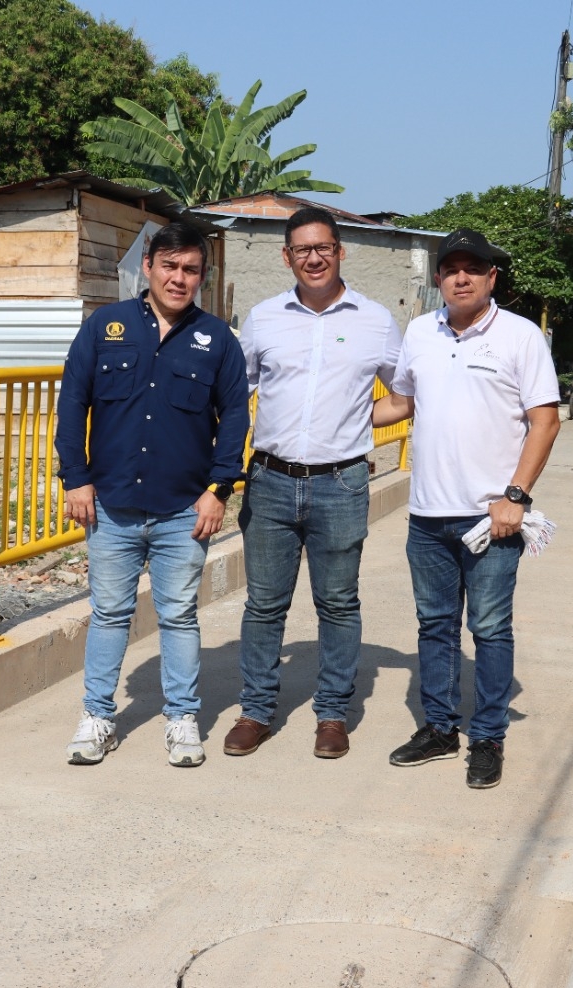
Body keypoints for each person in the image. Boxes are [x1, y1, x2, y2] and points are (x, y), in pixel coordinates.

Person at [371, 229, 561, 789]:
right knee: (434, 626)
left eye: (472, 269)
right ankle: (438, 728)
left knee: (490, 627)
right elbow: (403, 401)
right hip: (427, 515)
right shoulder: (419, 333)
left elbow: (545, 420)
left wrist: (516, 498)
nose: (461, 277)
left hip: (492, 518)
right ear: (437, 278)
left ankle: (488, 737)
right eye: (451, 268)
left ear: (491, 277)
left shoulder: (521, 337)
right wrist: (335, 408)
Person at [56, 221, 249, 768]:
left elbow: (234, 417)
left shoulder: (217, 340)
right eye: (170, 266)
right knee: (110, 613)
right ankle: (98, 717)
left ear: (202, 277)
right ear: (148, 266)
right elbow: (73, 403)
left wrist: (219, 489)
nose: (179, 278)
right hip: (112, 505)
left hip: (183, 510)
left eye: (191, 269)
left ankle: (182, 718)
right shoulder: (105, 327)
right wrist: (75, 477)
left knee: (179, 616)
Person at [222, 207, 403, 760]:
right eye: (302, 250)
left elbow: (403, 396)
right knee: (263, 605)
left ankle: (332, 714)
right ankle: (256, 710)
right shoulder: (264, 318)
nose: (314, 258)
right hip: (271, 482)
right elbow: (235, 394)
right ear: (287, 257)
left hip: (341, 484)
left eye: (323, 247)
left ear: (340, 250)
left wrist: (352, 421)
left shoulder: (375, 321)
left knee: (339, 604)